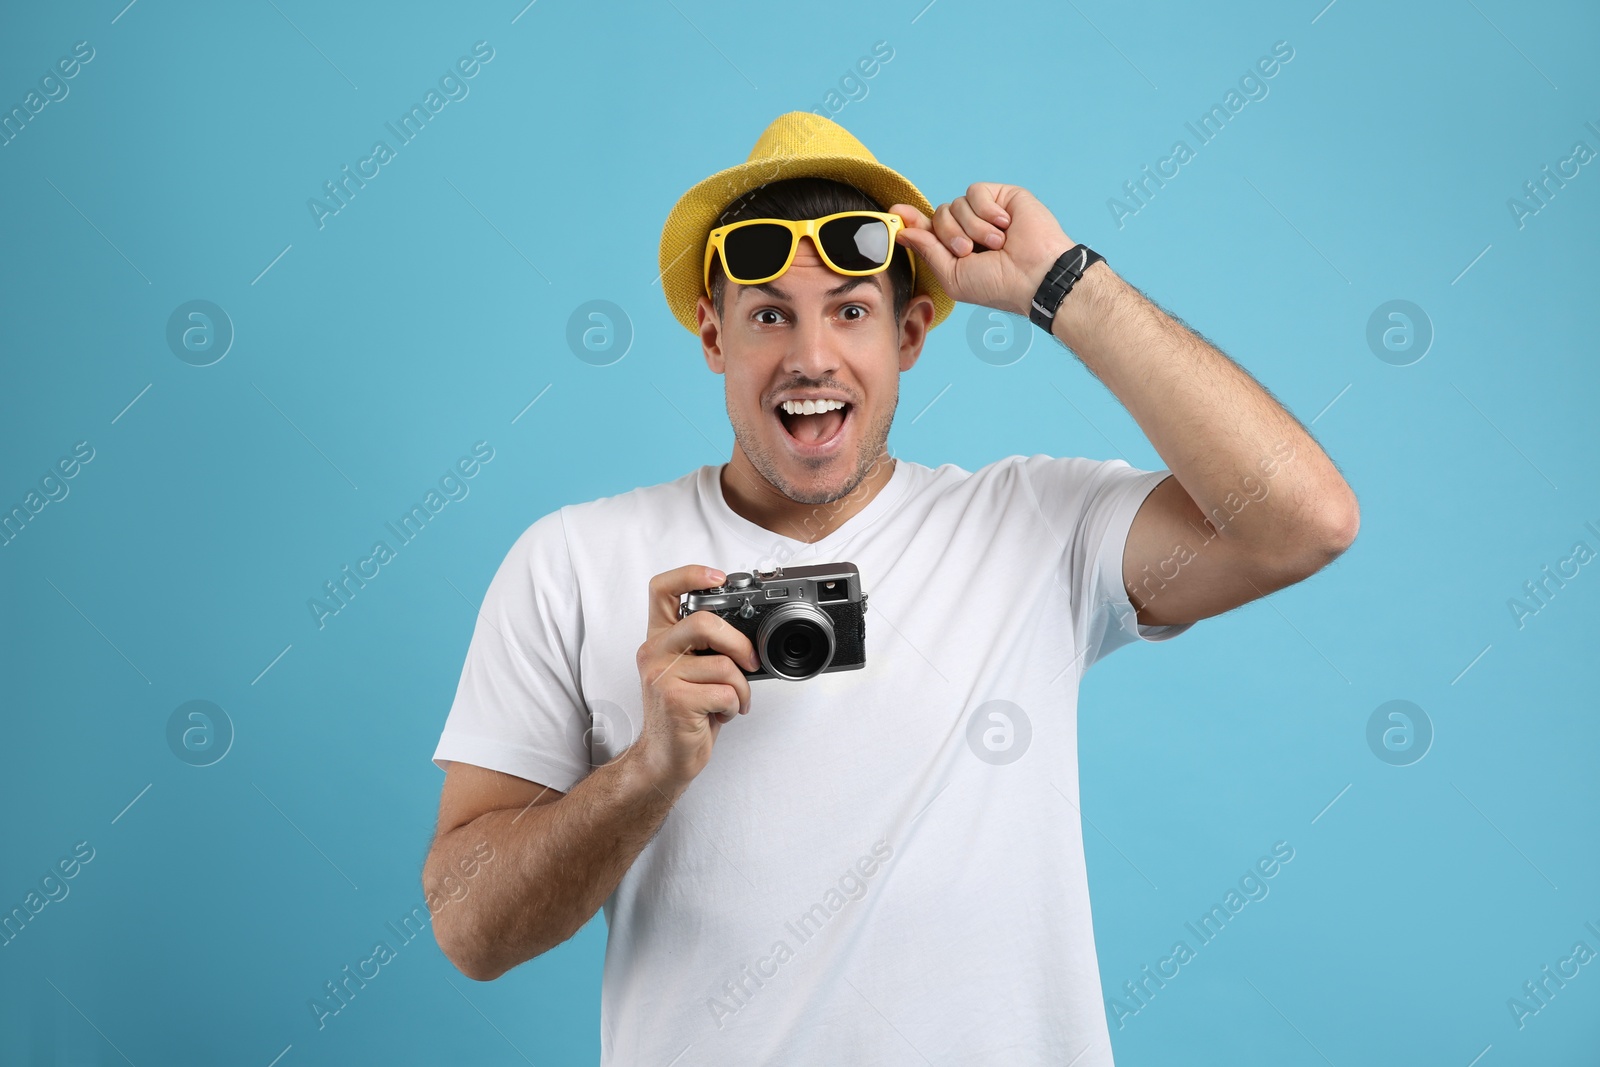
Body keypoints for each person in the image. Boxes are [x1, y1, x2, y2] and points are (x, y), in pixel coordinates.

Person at [423, 111, 1358, 1065]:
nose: (812, 357)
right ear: (713, 334)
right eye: (769, 313)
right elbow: (471, 931)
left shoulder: (1037, 529)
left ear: (912, 332)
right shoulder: (573, 561)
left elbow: (1305, 521)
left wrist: (1065, 284)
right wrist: (642, 772)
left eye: (852, 309)